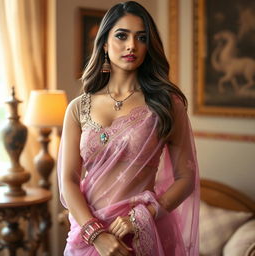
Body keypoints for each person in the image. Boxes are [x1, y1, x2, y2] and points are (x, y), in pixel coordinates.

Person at [58, 1, 199, 255]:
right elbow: (68, 180)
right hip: (89, 239)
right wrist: (95, 234)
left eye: (141, 37)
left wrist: (143, 216)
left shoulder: (166, 104)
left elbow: (186, 178)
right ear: (104, 42)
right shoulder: (78, 108)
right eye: (122, 36)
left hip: (141, 233)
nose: (131, 45)